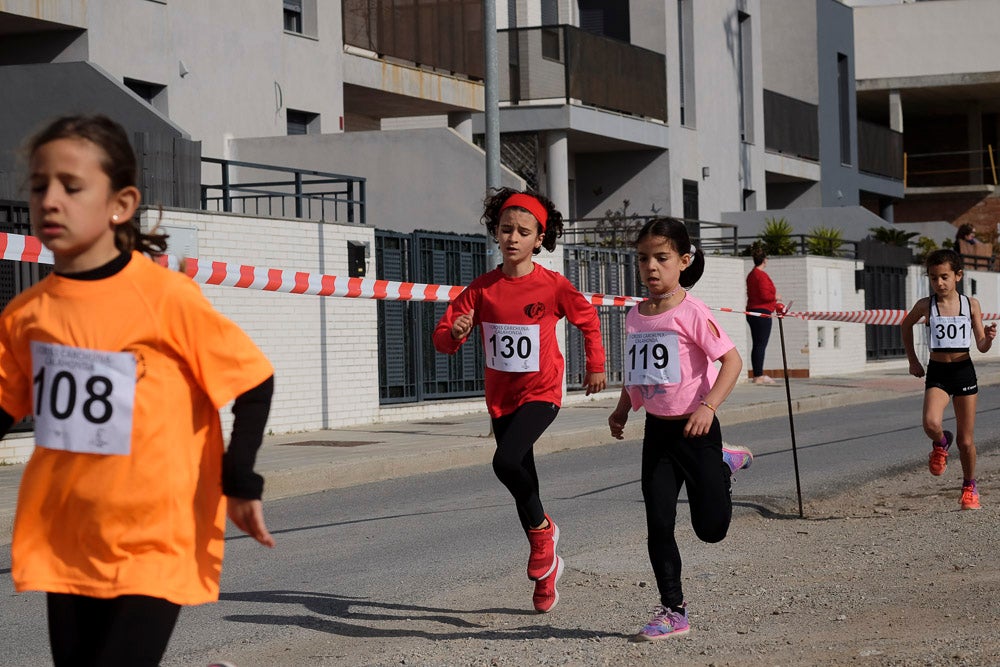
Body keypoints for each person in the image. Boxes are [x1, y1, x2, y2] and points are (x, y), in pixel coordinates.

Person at [0, 115, 276, 666]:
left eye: (72, 187)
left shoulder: (165, 297)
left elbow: (252, 379)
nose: (50, 200)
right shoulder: (26, 314)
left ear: (120, 204)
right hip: (68, 535)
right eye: (39, 186)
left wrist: (240, 478)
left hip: (156, 534)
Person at [433, 187, 607, 613]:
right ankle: (546, 571)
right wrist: (455, 335)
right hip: (502, 399)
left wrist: (596, 364)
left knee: (506, 462)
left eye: (523, 231)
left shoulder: (551, 286)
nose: (512, 237)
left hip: (542, 392)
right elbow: (443, 335)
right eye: (505, 229)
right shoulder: (482, 288)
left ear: (538, 239)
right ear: (496, 233)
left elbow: (586, 318)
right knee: (523, 482)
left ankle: (544, 535)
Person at [608, 217, 751, 641]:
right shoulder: (636, 315)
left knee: (711, 530)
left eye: (661, 258)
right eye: (642, 259)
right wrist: (621, 410)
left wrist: (708, 407)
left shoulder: (692, 311)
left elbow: (732, 362)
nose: (651, 267)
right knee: (658, 522)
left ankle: (724, 465)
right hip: (658, 435)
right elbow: (637, 374)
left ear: (684, 261)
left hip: (697, 431)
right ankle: (673, 610)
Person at [901, 248, 996, 510]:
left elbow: (981, 344)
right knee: (931, 423)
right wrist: (913, 361)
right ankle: (941, 442)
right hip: (938, 372)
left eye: (944, 277)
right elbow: (905, 325)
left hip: (963, 370)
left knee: (966, 441)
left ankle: (969, 487)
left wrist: (987, 337)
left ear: (958, 276)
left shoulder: (970, 304)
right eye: (933, 278)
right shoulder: (925, 305)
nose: (939, 283)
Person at [745, 244, 782, 385]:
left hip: (752, 311)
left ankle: (757, 373)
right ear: (764, 260)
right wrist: (776, 297)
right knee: (760, 344)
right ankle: (758, 375)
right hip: (762, 312)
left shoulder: (751, 275)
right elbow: (765, 295)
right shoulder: (761, 275)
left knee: (757, 344)